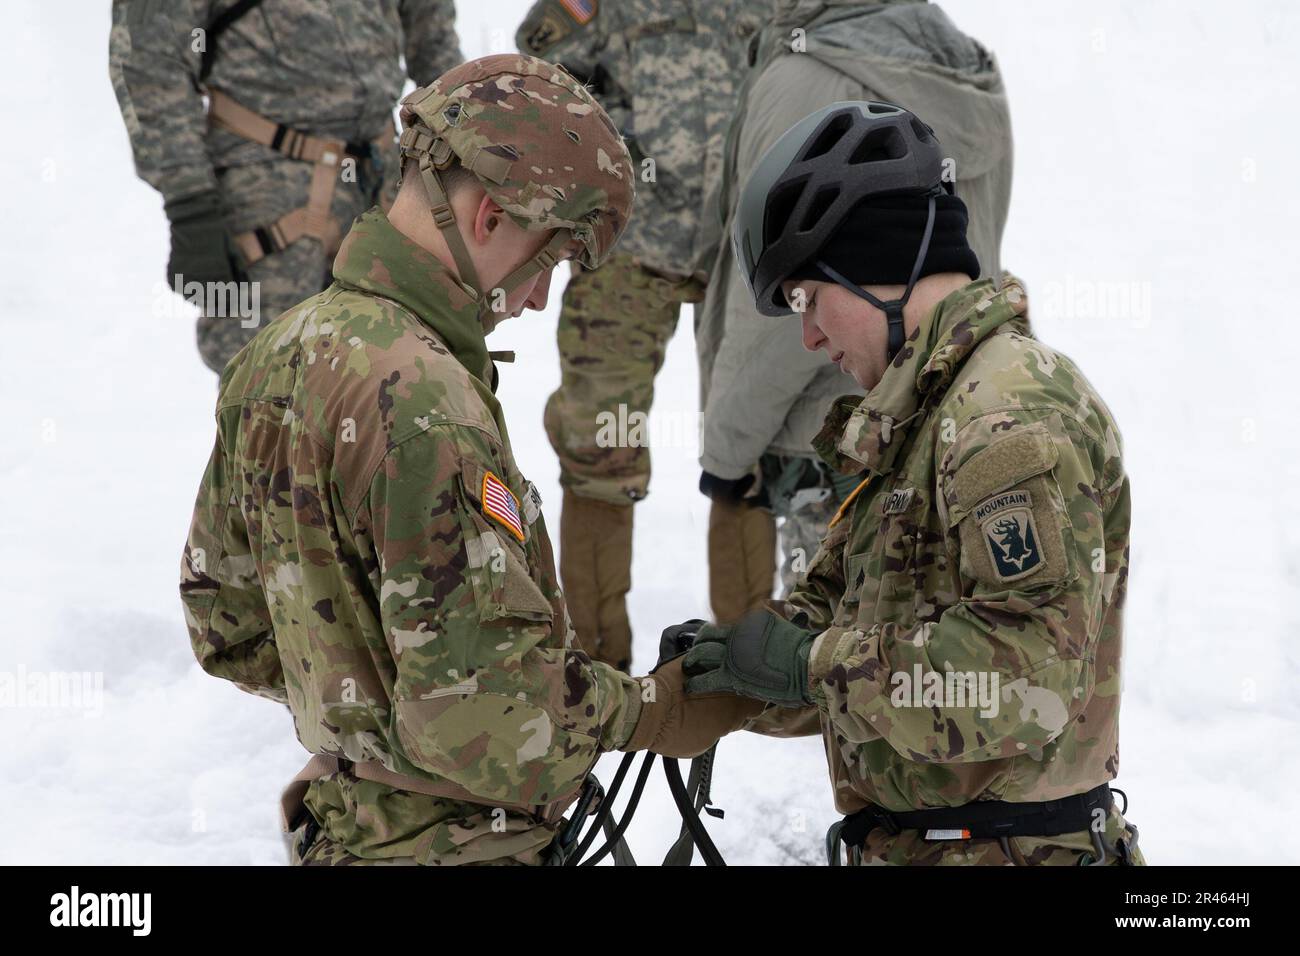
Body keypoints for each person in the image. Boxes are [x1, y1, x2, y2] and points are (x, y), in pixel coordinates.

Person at [179, 54, 761, 866]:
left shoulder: (279, 349)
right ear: (490, 217)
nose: (537, 299)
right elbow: (488, 721)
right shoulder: (424, 404)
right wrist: (654, 709)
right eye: (549, 261)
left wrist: (364, 734)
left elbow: (227, 623)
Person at [675, 102, 1144, 865]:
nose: (808, 337)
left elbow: (1025, 677)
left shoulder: (1005, 412)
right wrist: (738, 665)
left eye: (806, 299)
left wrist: (810, 665)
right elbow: (849, 641)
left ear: (873, 268)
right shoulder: (919, 420)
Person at [696, 0, 1014, 619]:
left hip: (832, 437)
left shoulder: (809, 76)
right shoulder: (966, 66)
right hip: (943, 397)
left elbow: (790, 301)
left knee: (851, 660)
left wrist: (727, 453)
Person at [515, 0, 774, 669]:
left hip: (741, 251)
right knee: (601, 439)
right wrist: (619, 142)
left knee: (748, 438)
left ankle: (752, 658)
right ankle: (595, 663)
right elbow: (534, 86)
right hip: (628, 248)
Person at [109, 0, 463, 373]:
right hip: (269, 190)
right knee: (270, 381)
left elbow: (433, 38)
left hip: (385, 180)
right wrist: (190, 204)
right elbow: (149, 60)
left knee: (403, 376)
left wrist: (461, 147)